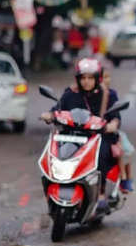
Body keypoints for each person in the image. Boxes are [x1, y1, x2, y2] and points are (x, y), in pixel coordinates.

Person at [39, 58, 120, 211]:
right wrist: (49, 115)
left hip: (97, 137)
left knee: (101, 153)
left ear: (97, 78)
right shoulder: (70, 93)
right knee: (54, 151)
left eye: (90, 78)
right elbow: (57, 108)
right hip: (71, 135)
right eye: (83, 78)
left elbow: (115, 116)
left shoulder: (108, 94)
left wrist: (112, 125)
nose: (86, 82)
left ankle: (101, 192)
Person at [101, 67, 135, 193]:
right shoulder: (89, 95)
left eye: (107, 77)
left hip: (111, 130)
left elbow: (116, 115)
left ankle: (125, 178)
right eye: (102, 77)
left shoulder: (112, 94)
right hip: (92, 130)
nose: (105, 80)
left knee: (123, 149)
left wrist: (113, 124)